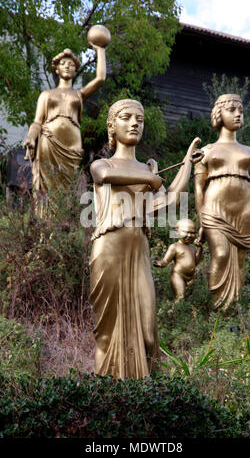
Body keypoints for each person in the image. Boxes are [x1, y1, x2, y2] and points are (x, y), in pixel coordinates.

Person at [89, 99, 201, 379]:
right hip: (109, 249)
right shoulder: (103, 164)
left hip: (139, 251)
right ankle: (106, 398)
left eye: (139, 118)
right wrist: (149, 179)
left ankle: (145, 401)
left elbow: (172, 198)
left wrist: (187, 162)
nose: (135, 122)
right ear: (112, 126)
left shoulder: (147, 171)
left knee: (149, 335)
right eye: (126, 117)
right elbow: (105, 175)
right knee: (106, 334)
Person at [194, 94, 250, 310]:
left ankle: (234, 314)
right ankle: (217, 311)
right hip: (215, 208)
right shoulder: (207, 150)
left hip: (245, 208)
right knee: (220, 254)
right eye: (232, 110)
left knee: (239, 261)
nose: (238, 113)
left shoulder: (248, 150)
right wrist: (201, 218)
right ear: (219, 114)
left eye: (240, 110)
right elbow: (198, 187)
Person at [23, 45, 106, 212]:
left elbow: (100, 78)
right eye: (63, 63)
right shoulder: (46, 94)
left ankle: (63, 226)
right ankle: (44, 228)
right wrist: (31, 137)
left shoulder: (78, 94)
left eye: (71, 64)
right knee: (46, 186)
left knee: (67, 188)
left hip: (72, 146)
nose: (67, 66)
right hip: (49, 141)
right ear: (57, 69)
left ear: (75, 70)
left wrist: (101, 50)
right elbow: (37, 121)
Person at [154, 219, 202, 303]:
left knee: (190, 299)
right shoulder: (175, 246)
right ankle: (174, 313)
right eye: (186, 232)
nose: (189, 235)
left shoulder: (192, 248)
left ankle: (184, 314)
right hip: (178, 275)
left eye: (192, 233)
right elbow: (166, 260)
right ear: (177, 232)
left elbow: (196, 261)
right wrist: (160, 263)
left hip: (191, 278)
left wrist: (200, 249)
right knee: (180, 297)